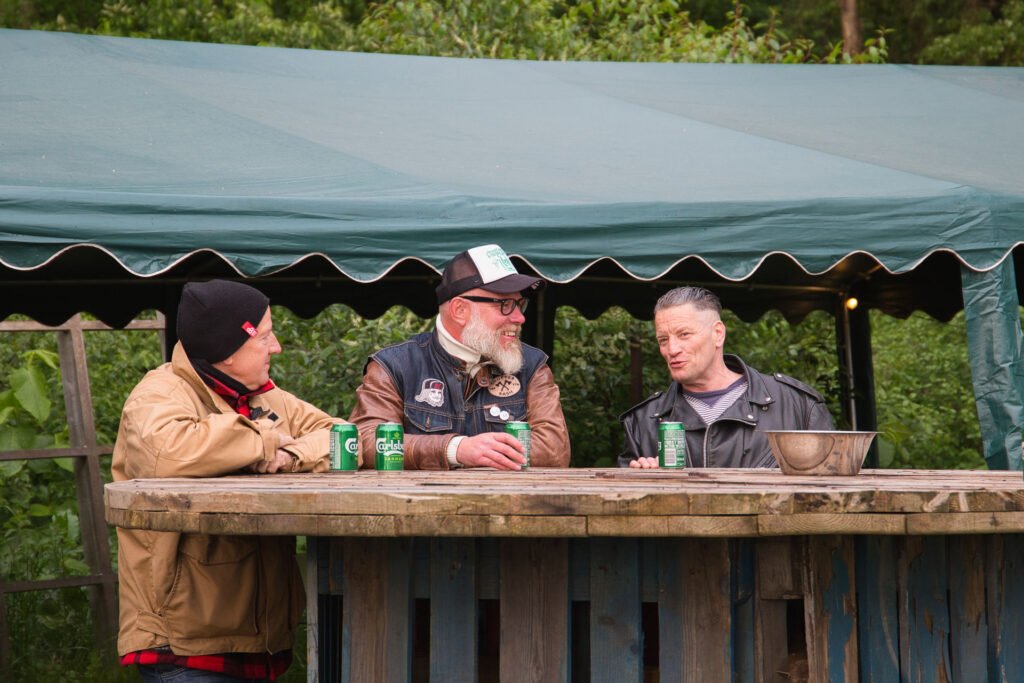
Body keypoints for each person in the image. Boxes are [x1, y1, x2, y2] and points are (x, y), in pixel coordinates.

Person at [112, 279, 346, 682]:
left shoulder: (265, 397)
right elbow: (168, 451)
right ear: (226, 349)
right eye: (266, 337)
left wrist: (290, 455)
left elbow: (344, 434)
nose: (277, 348)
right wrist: (263, 441)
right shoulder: (158, 394)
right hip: (184, 646)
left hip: (257, 642)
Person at [349, 244, 570, 469]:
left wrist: (484, 453)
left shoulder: (533, 367)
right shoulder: (393, 366)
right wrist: (455, 449)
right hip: (418, 503)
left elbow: (554, 451)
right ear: (460, 310)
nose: (519, 318)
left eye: (519, 304)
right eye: (505, 304)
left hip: (508, 503)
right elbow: (364, 442)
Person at [619, 286, 833, 468]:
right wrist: (642, 482)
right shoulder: (642, 422)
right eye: (663, 340)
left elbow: (835, 497)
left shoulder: (799, 405)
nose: (671, 349)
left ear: (718, 334)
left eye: (684, 334)